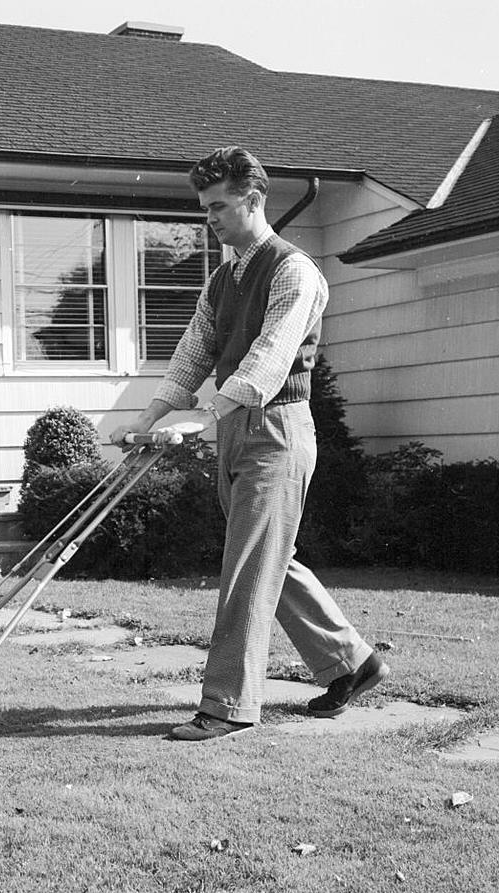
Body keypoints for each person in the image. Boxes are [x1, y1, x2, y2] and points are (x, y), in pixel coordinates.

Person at [110, 146, 388, 741]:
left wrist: (201, 419)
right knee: (269, 560)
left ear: (254, 200)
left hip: (277, 429)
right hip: (237, 430)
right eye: (204, 208)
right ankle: (353, 663)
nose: (208, 218)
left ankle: (228, 706)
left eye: (218, 206)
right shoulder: (224, 277)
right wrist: (149, 419)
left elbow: (266, 363)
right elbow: (192, 356)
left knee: (246, 568)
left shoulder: (295, 271)